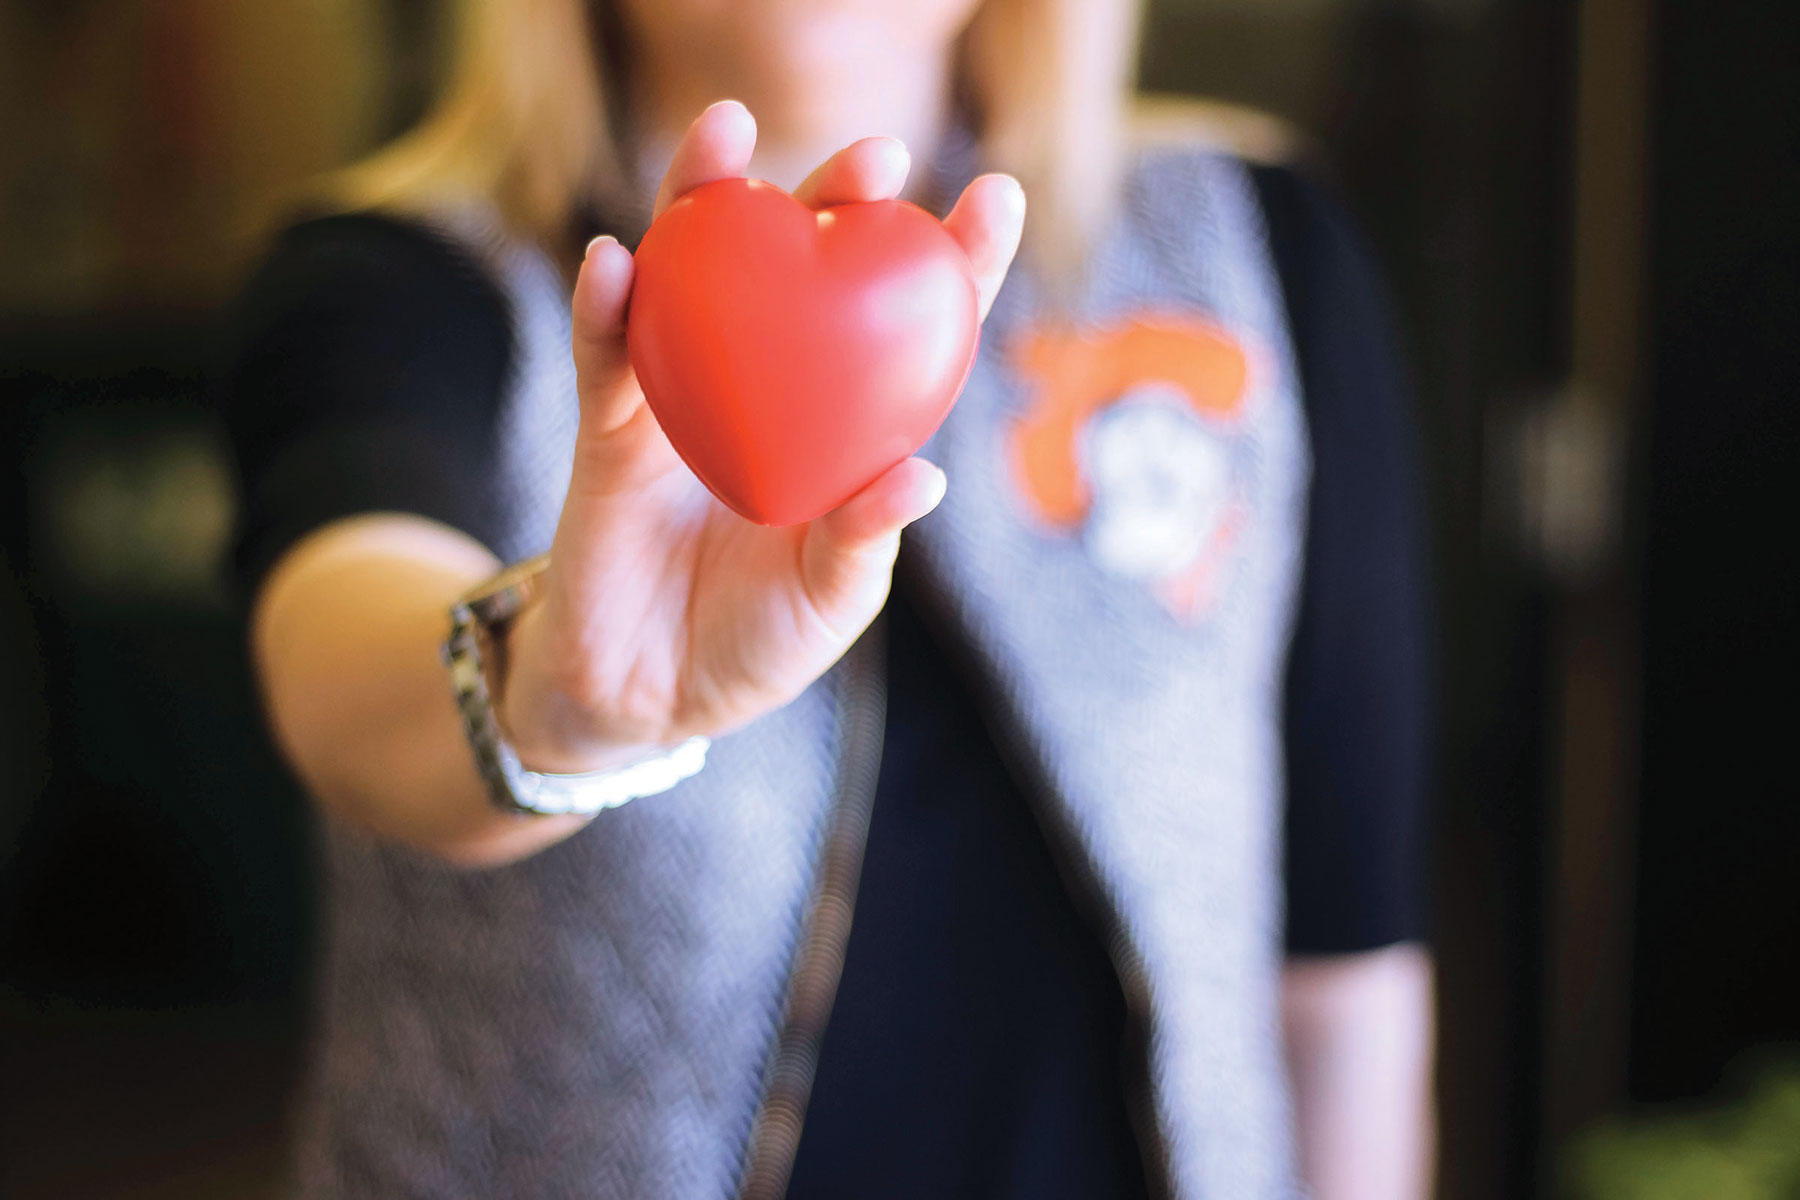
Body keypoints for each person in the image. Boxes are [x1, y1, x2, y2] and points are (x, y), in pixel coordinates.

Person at [224, 0, 1436, 1195]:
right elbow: (341, 636)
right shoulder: (402, 281)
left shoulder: (1249, 248)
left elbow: (1343, 973)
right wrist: (553, 698)